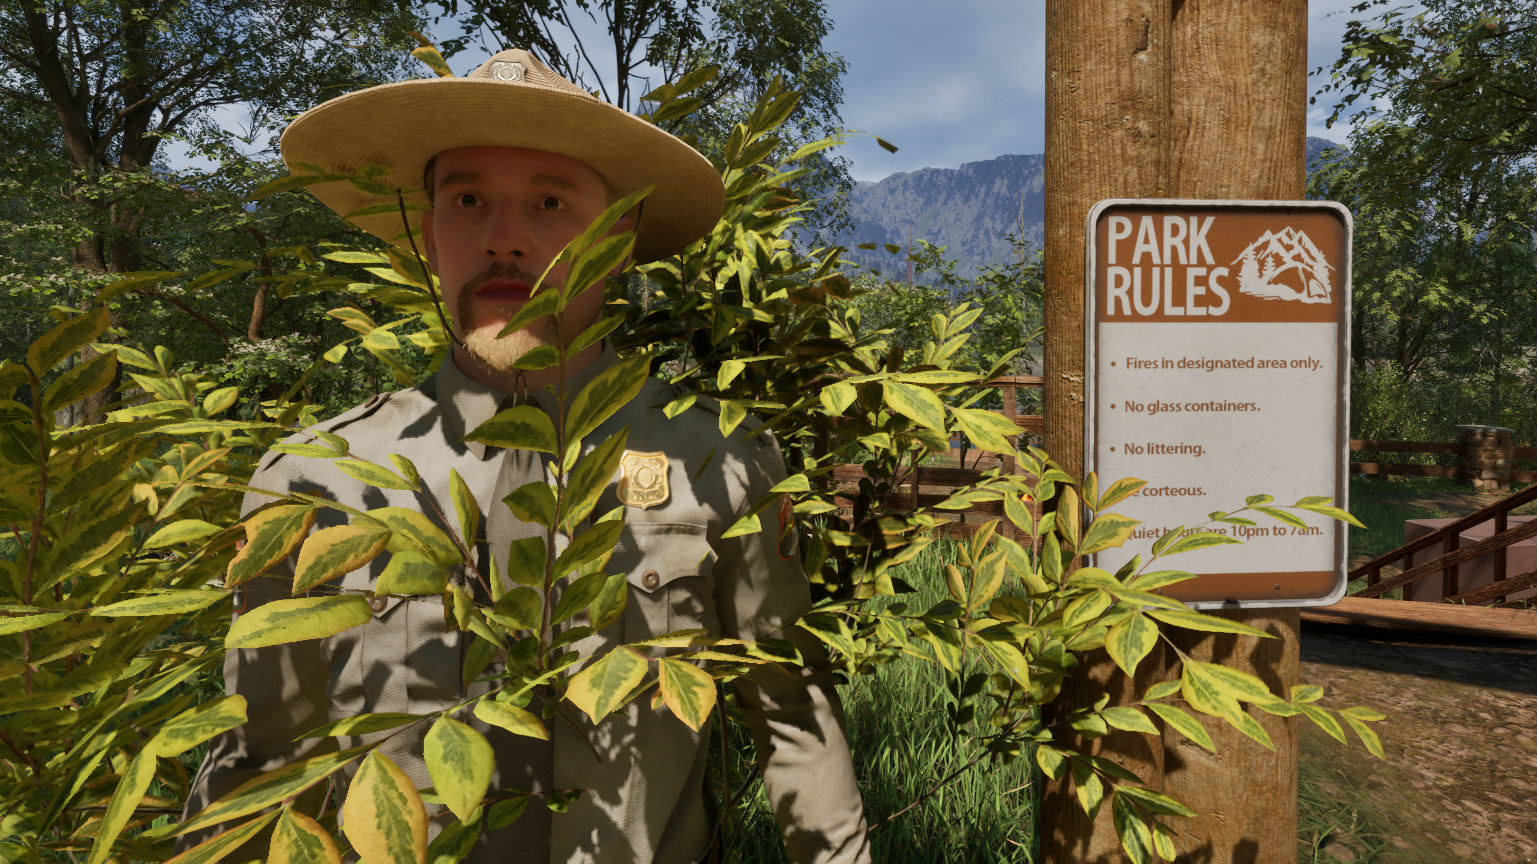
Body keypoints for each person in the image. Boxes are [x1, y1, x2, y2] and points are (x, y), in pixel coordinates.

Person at [184, 49, 870, 864]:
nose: (504, 239)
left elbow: (791, 712)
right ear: (427, 236)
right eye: (466, 199)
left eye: (549, 202)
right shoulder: (313, 478)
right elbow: (263, 751)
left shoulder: (719, 458)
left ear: (617, 239)